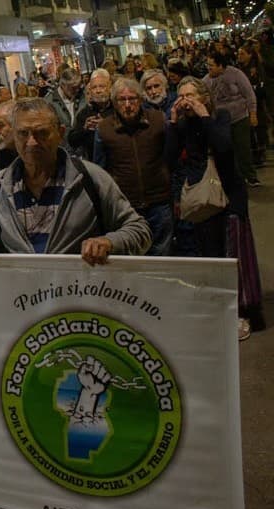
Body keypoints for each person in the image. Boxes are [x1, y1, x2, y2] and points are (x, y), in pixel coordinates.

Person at [0, 98, 151, 265]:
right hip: (25, 300)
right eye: (23, 134)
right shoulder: (0, 185)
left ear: (60, 133)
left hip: (80, 296)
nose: (31, 142)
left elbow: (139, 230)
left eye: (41, 133)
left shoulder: (89, 178)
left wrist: (110, 243)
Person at [165, 76, 264, 340]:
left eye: (190, 96)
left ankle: (241, 312)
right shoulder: (183, 125)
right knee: (211, 257)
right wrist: (174, 122)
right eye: (181, 96)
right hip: (202, 199)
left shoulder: (219, 115)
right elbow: (170, 158)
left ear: (204, 97)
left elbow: (224, 147)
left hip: (229, 195)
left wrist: (204, 116)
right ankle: (219, 310)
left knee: (233, 256)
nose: (186, 101)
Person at [93, 78, 172, 256]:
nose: (128, 105)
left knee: (161, 254)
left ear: (140, 99)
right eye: (122, 100)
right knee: (131, 256)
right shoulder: (104, 129)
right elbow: (100, 170)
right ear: (114, 102)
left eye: (132, 99)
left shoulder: (158, 120)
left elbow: (170, 159)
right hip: (125, 206)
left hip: (158, 200)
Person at [204, 51, 260, 188]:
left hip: (239, 117)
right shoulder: (206, 81)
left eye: (211, 65)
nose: (208, 68)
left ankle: (250, 176)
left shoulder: (236, 74)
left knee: (243, 149)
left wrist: (253, 113)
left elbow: (249, 94)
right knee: (227, 151)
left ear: (220, 65)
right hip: (221, 122)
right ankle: (235, 178)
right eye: (208, 65)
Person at [68, 68, 114, 160]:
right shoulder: (84, 113)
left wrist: (106, 125)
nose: (98, 91)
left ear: (110, 88)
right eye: (94, 87)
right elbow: (72, 141)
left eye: (102, 86)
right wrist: (84, 129)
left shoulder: (117, 108)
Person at [45, 68, 87, 146]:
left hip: (82, 146)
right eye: (73, 88)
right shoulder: (49, 102)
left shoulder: (83, 96)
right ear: (62, 85)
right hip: (62, 147)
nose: (77, 90)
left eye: (79, 86)